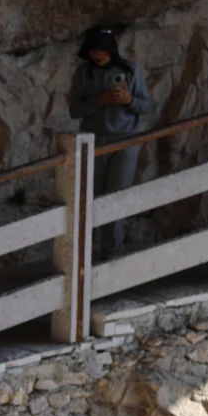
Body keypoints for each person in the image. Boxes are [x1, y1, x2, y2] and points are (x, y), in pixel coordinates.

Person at [67, 25, 153, 257]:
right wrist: (100, 100)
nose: (98, 55)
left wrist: (129, 100)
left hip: (125, 142)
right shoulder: (84, 74)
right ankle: (84, 256)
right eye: (93, 51)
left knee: (115, 198)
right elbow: (74, 110)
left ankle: (111, 255)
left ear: (110, 50)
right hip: (93, 143)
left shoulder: (129, 70)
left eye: (101, 50)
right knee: (91, 199)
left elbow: (147, 106)